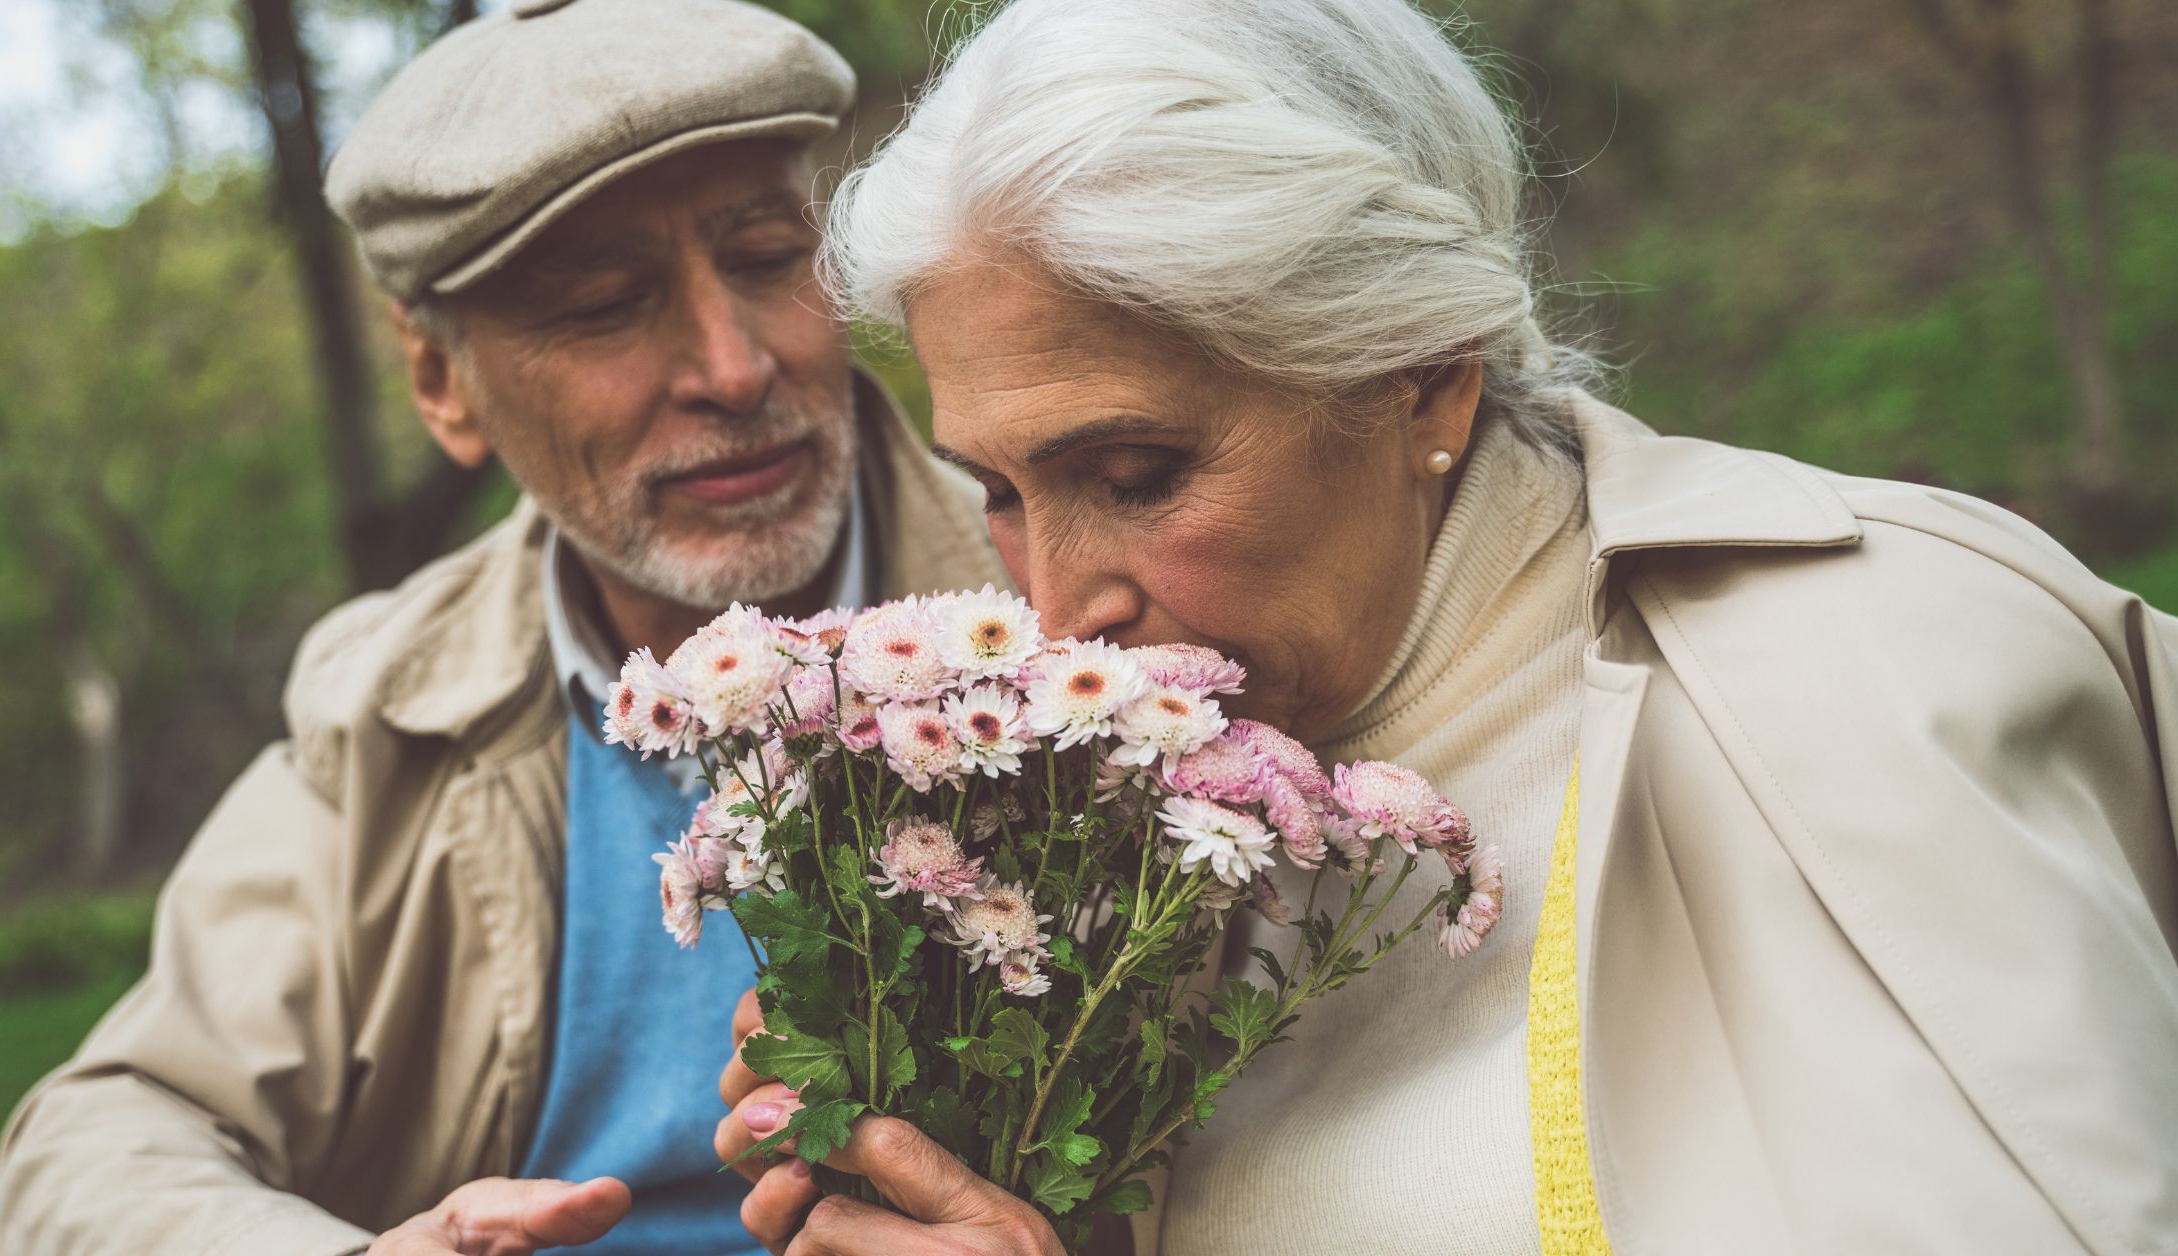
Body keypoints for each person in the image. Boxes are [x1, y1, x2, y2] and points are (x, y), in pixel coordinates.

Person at [713, 0, 2178, 1252]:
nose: (1058, 606)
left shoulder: (1869, 676)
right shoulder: (1072, 844)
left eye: (1139, 476)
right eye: (1001, 490)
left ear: (1421, 375)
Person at [0, 1, 1005, 1253]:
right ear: (439, 383)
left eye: (765, 256)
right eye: (607, 301)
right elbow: (101, 1136)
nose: (733, 368)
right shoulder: (389, 704)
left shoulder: (1068, 623)